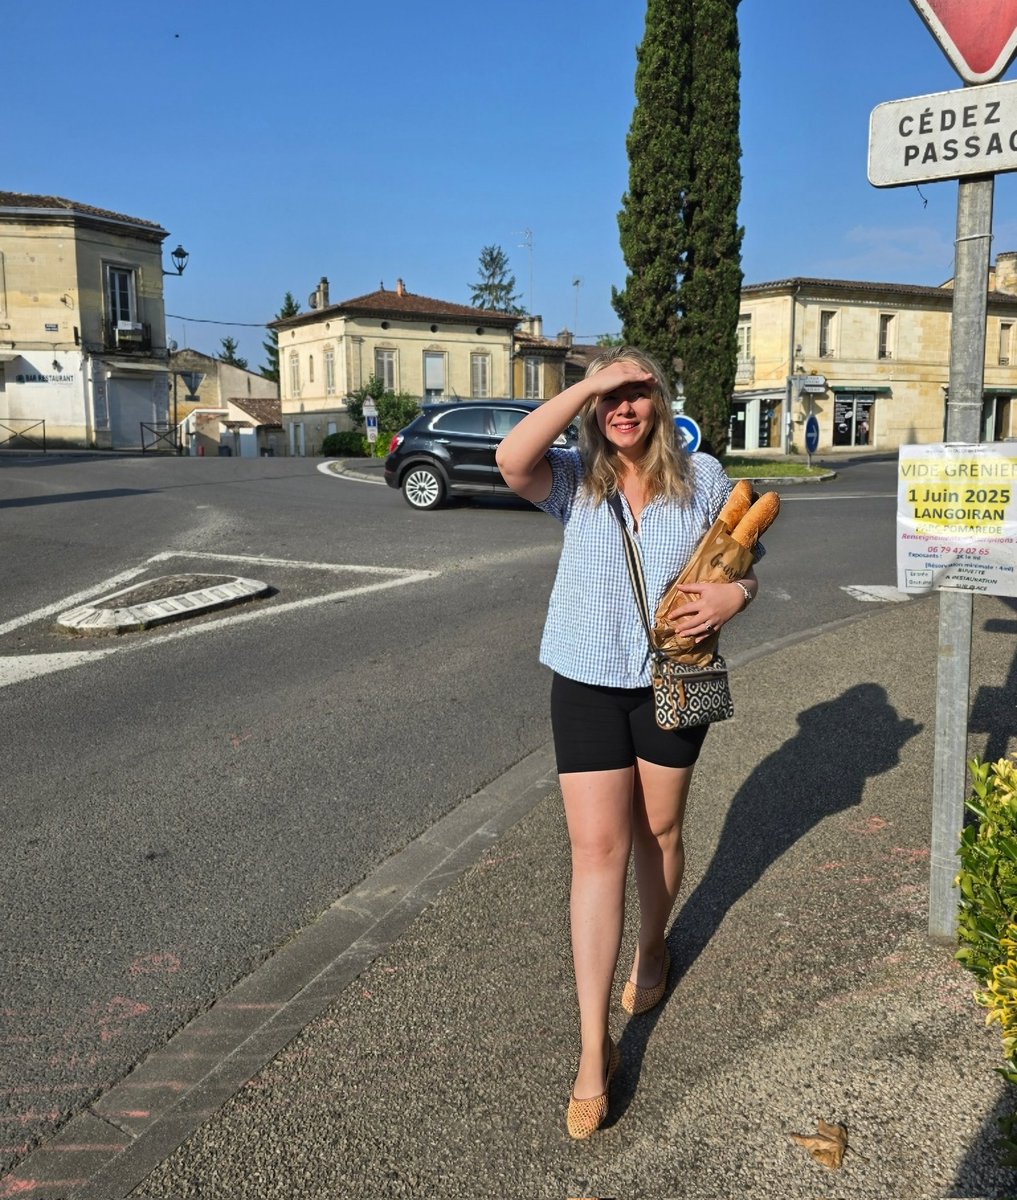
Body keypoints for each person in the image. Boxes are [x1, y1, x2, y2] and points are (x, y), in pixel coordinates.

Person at [495, 345, 760, 1139]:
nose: (622, 408)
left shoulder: (704, 476)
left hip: (670, 682)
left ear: (659, 400)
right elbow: (511, 459)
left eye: (636, 392)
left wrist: (733, 596)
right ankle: (590, 1051)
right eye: (609, 396)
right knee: (596, 852)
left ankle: (652, 950)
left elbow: (748, 560)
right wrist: (586, 380)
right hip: (582, 678)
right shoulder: (575, 479)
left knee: (661, 832)